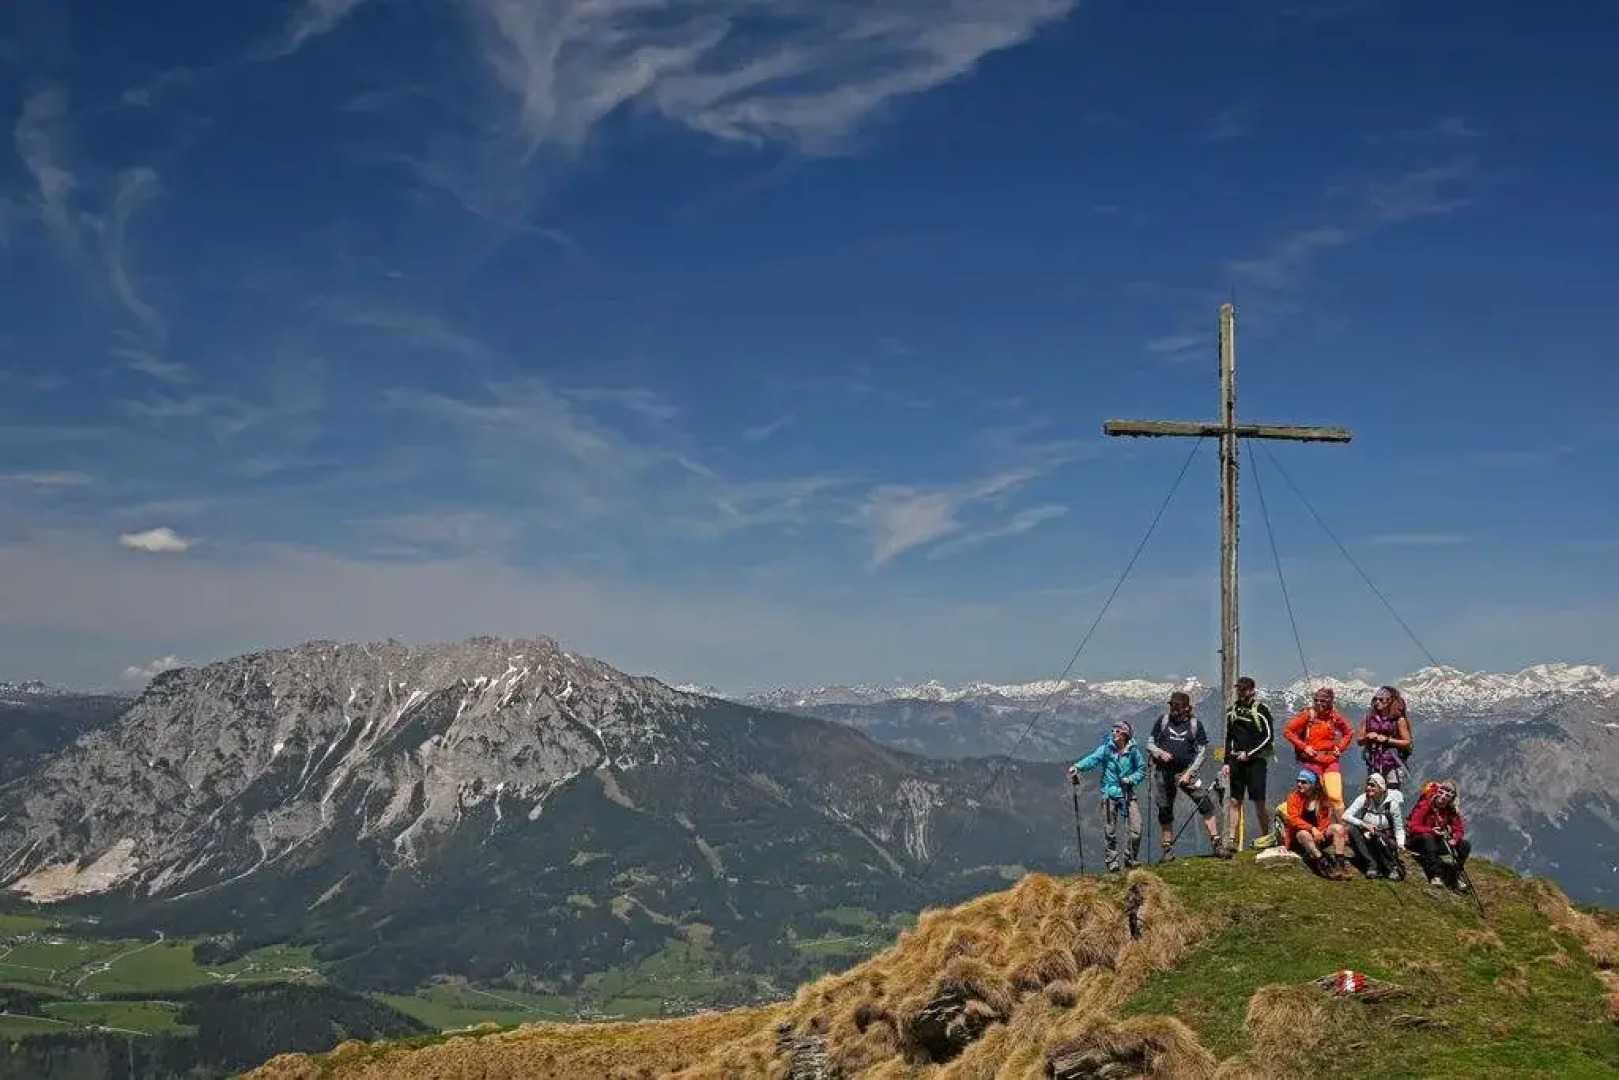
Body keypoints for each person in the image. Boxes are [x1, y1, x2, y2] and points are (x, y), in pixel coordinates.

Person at [1146, 691, 1227, 861]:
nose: (1173, 710)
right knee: (1165, 809)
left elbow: (1202, 752)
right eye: (1172, 706)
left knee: (1204, 801)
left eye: (1177, 707)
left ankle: (1217, 844)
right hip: (1163, 771)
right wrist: (1160, 753)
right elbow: (1150, 744)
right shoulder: (1163, 721)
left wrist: (1190, 773)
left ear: (1187, 708)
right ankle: (1167, 850)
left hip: (1185, 771)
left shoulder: (1195, 725)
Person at [1069, 720, 1149, 872]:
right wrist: (1077, 767)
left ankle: (1130, 858)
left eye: (1117, 731)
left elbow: (1141, 769)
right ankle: (1112, 862)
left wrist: (1131, 779)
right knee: (1109, 830)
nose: (1114, 733)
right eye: (1113, 730)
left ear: (1125, 734)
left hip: (1127, 792)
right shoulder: (1106, 748)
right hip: (1109, 793)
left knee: (1136, 829)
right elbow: (1092, 759)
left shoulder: (1133, 751)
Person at [1283, 687, 1355, 821]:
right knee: (1314, 797)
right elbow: (1288, 731)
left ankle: (1342, 829)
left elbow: (1349, 732)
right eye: (1316, 700)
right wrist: (1304, 747)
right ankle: (1317, 826)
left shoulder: (1335, 716)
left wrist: (1340, 748)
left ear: (1330, 702)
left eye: (1323, 701)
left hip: (1330, 761)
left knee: (1335, 796)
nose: (1318, 703)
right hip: (1312, 761)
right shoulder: (1308, 715)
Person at [1222, 675, 1275, 852]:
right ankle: (1231, 839)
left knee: (1259, 800)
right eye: (1239, 689)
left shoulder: (1261, 710)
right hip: (1236, 761)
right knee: (1234, 800)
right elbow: (1228, 737)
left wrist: (1250, 753)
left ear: (1252, 690)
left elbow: (1268, 737)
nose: (1241, 693)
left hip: (1256, 762)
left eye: (1244, 690)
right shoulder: (1232, 711)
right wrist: (1226, 761)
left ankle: (1266, 836)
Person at [1277, 768, 1353, 879]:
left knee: (1338, 828)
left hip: (1319, 836)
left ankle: (1340, 864)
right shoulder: (1293, 797)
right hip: (1300, 839)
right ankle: (1323, 863)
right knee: (1303, 833)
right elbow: (1294, 819)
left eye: (1304, 782)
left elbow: (1326, 820)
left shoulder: (1322, 798)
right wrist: (1312, 829)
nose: (1299, 784)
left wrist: (1320, 833)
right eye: (1298, 781)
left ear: (1312, 784)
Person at [1405, 779, 1471, 891]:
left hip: (1436, 841)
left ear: (1451, 799)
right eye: (1441, 793)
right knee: (1428, 837)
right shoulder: (1426, 804)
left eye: (1447, 796)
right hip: (1416, 840)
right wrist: (1431, 830)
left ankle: (1455, 874)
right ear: (1437, 792)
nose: (1443, 798)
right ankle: (1435, 875)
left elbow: (1459, 829)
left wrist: (1455, 839)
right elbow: (1413, 826)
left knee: (1465, 845)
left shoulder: (1451, 810)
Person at [1342, 772, 1406, 879]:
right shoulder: (1363, 798)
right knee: (1352, 830)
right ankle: (1372, 865)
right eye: (1367, 784)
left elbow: (1398, 828)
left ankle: (1390, 867)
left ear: (1381, 787)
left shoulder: (1392, 804)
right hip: (1367, 834)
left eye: (1372, 785)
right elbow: (1345, 816)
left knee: (1376, 836)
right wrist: (1364, 824)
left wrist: (1400, 843)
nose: (1368, 788)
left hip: (1385, 839)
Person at [1359, 685, 1413, 791]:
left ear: (1390, 701)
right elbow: (1359, 741)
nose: (1377, 702)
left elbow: (1407, 742)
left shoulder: (1399, 720)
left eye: (1381, 699)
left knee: (1392, 793)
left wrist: (1387, 740)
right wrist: (1368, 737)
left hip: (1393, 764)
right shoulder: (1368, 718)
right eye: (1375, 699)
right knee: (1373, 791)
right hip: (1374, 763)